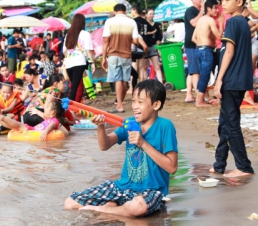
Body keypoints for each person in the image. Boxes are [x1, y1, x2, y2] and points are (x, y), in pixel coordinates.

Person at [64, 80, 178, 217]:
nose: (135, 106)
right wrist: (101, 126)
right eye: (133, 101)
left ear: (156, 104)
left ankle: (107, 209)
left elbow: (172, 167)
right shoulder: (130, 123)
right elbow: (104, 145)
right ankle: (116, 206)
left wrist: (143, 143)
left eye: (140, 102)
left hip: (151, 190)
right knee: (70, 203)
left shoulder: (165, 126)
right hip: (123, 186)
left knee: (138, 207)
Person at [211, 0, 254, 178]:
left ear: (239, 2)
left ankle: (244, 166)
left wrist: (219, 80)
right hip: (239, 79)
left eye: (227, 0)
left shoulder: (234, 22)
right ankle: (219, 163)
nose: (223, 3)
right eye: (222, 0)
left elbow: (229, 52)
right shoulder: (243, 22)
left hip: (232, 80)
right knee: (225, 122)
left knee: (231, 124)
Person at [102, 4, 139, 113]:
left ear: (114, 12)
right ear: (125, 11)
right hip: (127, 55)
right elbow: (136, 41)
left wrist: (104, 57)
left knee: (117, 80)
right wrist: (127, 40)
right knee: (124, 80)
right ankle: (119, 104)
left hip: (113, 55)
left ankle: (119, 105)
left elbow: (105, 41)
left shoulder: (109, 22)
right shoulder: (132, 22)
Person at [0, 91, 68, 140]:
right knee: (14, 126)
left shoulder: (54, 121)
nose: (44, 109)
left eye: (47, 108)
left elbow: (51, 126)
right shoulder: (49, 118)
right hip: (31, 129)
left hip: (30, 130)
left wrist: (45, 132)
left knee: (17, 126)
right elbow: (45, 116)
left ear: (52, 113)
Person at [191, 0, 224, 107]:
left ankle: (201, 99)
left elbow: (193, 38)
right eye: (214, 8)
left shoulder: (200, 20)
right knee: (205, 77)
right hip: (205, 50)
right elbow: (220, 36)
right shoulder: (210, 20)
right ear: (208, 9)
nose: (217, 10)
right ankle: (199, 101)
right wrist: (220, 22)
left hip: (199, 49)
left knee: (203, 76)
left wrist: (205, 43)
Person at [63, 14, 95, 101]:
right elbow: (88, 51)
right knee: (74, 88)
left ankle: (74, 106)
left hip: (69, 64)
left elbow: (64, 51)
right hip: (79, 63)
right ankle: (70, 107)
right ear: (82, 23)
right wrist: (92, 63)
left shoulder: (68, 35)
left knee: (74, 86)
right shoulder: (85, 34)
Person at [184, 0, 204, 103]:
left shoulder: (200, 11)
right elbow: (194, 23)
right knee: (194, 70)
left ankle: (189, 95)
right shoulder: (190, 10)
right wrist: (202, 11)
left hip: (199, 43)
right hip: (191, 44)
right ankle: (195, 94)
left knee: (193, 70)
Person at [145, 8, 164, 83]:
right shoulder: (144, 24)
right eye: (150, 14)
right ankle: (146, 84)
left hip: (153, 46)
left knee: (157, 66)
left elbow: (159, 36)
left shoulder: (156, 24)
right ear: (146, 15)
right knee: (144, 67)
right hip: (145, 47)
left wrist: (158, 41)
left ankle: (160, 83)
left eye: (153, 14)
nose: (152, 15)